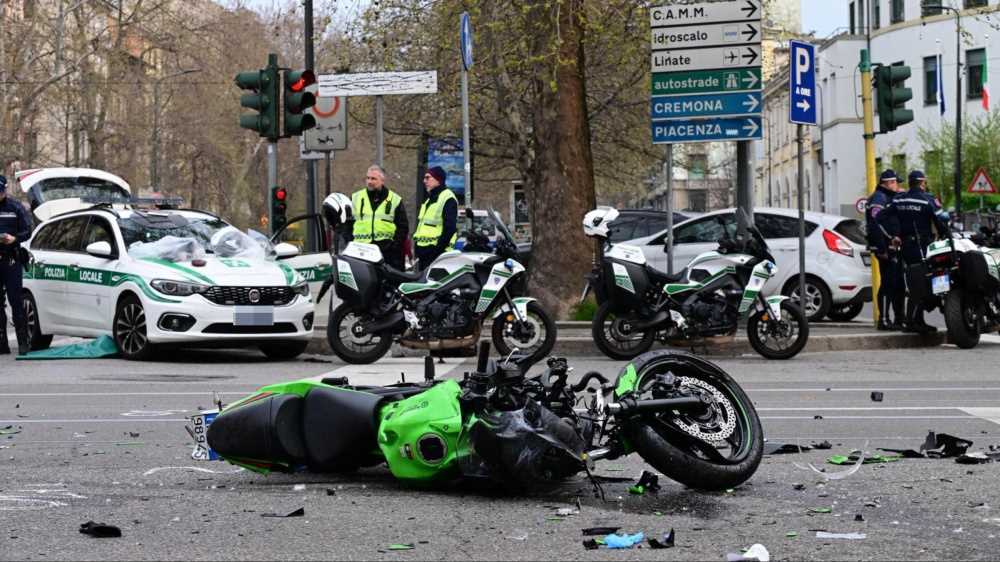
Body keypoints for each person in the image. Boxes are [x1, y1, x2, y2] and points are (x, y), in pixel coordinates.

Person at [878, 169, 951, 334]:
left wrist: (891, 237)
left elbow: (879, 219)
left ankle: (916, 320)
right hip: (923, 247)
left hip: (905, 248)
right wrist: (944, 235)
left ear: (910, 183)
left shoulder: (899, 200)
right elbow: (941, 222)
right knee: (923, 283)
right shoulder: (927, 201)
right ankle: (913, 321)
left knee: (912, 283)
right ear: (922, 183)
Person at [346, 165, 409, 270]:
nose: (369, 181)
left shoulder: (395, 199)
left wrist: (394, 246)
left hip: (386, 251)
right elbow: (346, 224)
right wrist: (350, 241)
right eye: (368, 178)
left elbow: (403, 227)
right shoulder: (355, 198)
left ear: (382, 180)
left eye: (373, 179)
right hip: (361, 251)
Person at [866, 169, 905, 330]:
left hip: (894, 246)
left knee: (898, 284)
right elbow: (876, 223)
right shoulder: (879, 198)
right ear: (888, 183)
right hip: (886, 247)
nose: (898, 186)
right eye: (896, 182)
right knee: (888, 284)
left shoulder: (889, 197)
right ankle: (883, 319)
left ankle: (898, 319)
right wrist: (883, 246)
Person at [0, 175, 33, 355]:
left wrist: (14, 239)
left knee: (16, 300)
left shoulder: (15, 207)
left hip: (11, 258)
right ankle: (2, 343)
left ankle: (23, 342)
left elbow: (28, 230)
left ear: (5, 190)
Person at [413, 166, 457, 269]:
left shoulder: (447, 198)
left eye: (428, 178)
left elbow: (450, 228)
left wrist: (437, 250)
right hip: (424, 253)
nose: (424, 181)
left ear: (438, 180)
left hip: (437, 255)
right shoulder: (429, 200)